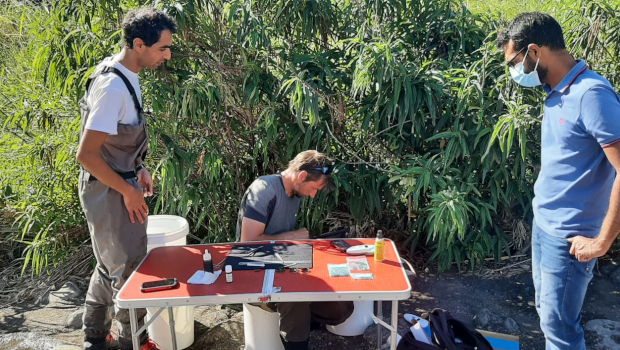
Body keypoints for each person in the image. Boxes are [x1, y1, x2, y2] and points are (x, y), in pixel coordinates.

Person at [497, 12, 620, 350]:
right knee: (549, 318)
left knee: (561, 332)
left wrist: (601, 243)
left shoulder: (591, 94)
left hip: (570, 238)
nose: (515, 73)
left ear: (535, 52)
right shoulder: (557, 89)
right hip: (545, 227)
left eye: (515, 62)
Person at [76, 7, 177, 350]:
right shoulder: (112, 87)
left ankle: (94, 336)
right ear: (138, 44)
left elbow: (117, 140)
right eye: (163, 48)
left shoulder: (125, 75)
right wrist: (128, 191)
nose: (167, 55)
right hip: (108, 191)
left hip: (120, 182)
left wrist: (139, 168)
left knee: (111, 262)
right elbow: (87, 155)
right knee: (129, 269)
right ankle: (133, 342)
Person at [237, 150, 354, 350]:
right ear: (301, 176)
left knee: (341, 307)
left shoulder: (296, 194)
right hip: (253, 264)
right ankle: (297, 342)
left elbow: (285, 244)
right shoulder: (264, 189)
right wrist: (290, 237)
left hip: (284, 258)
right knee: (295, 297)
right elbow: (247, 244)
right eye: (314, 188)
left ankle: (303, 324)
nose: (313, 194)